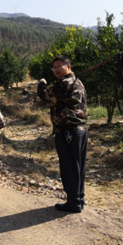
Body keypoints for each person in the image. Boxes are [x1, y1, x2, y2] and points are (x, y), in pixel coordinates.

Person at [37, 55, 88, 213]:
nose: (56, 70)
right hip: (80, 130)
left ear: (68, 67)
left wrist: (42, 83)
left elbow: (44, 95)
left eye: (59, 66)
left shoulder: (64, 83)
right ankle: (78, 199)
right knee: (78, 166)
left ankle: (73, 204)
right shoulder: (77, 82)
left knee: (69, 168)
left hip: (67, 131)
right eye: (54, 68)